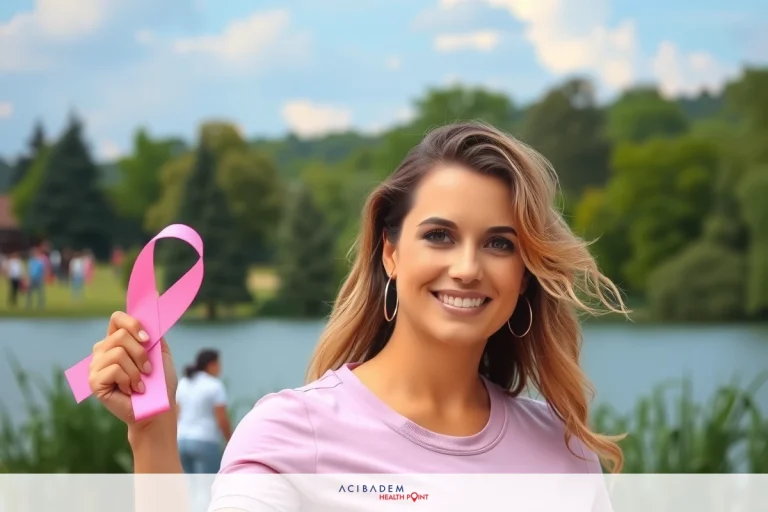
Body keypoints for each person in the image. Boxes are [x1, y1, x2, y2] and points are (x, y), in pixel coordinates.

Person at [85, 122, 629, 508]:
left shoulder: (562, 452)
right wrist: (153, 436)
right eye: (439, 236)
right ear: (390, 252)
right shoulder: (292, 435)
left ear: (524, 273)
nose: (467, 268)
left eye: (499, 244)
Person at [176, 349, 232, 474]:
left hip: (181, 441)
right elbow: (222, 418)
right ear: (211, 365)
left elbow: (176, 413)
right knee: (207, 488)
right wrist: (230, 440)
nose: (220, 368)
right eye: (219, 364)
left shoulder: (183, 383)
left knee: (189, 488)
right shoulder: (215, 385)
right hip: (205, 441)